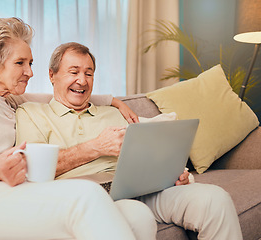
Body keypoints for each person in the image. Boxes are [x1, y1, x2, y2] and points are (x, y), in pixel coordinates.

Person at [0, 17, 157, 240]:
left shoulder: (11, 100)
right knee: (86, 194)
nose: (30, 72)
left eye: (30, 63)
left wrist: (113, 100)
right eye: (20, 63)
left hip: (0, 192)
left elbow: (57, 95)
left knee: (138, 215)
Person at [15, 42, 243, 240]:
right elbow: (34, 170)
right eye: (73, 72)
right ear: (52, 75)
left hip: (140, 189)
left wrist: (172, 173)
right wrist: (95, 147)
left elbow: (145, 156)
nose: (82, 81)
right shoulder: (32, 113)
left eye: (89, 73)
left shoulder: (114, 113)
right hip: (92, 199)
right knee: (137, 216)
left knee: (215, 198)